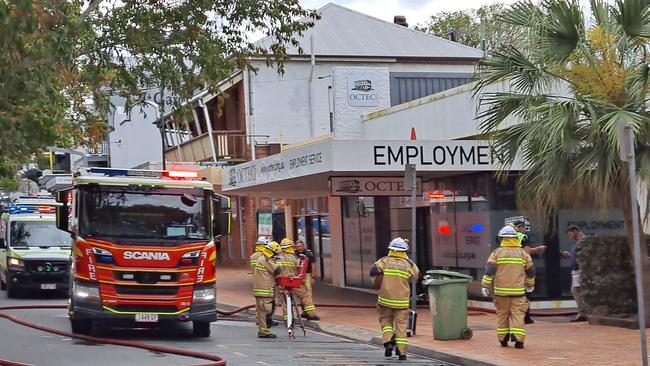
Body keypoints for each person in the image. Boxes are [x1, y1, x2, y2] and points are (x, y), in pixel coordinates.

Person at [482, 225, 535, 349]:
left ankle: (503, 339)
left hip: (501, 293)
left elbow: (489, 270)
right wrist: (530, 285)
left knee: (502, 315)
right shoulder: (523, 254)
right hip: (518, 293)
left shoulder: (497, 253)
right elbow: (531, 271)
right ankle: (519, 340)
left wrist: (485, 285)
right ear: (515, 238)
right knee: (518, 315)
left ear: (502, 238)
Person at [369, 237, 420, 361]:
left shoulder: (384, 261)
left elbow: (373, 270)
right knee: (401, 326)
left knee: (386, 321)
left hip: (385, 301)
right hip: (402, 302)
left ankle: (388, 342)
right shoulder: (409, 263)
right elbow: (417, 275)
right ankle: (402, 353)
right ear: (404, 251)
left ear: (391, 249)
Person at [510, 220, 547, 324]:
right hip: (521, 267)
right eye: (522, 227)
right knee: (525, 292)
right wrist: (538, 249)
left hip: (510, 268)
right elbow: (526, 252)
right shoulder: (522, 236)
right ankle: (525, 317)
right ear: (519, 227)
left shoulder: (505, 237)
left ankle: (515, 316)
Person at [252, 240, 282, 338]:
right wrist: (279, 261)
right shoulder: (266, 259)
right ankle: (263, 331)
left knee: (266, 309)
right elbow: (277, 270)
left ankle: (264, 329)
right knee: (264, 310)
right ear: (273, 252)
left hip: (264, 289)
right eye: (276, 253)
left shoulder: (264, 257)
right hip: (264, 289)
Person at [561, 224, 587, 322]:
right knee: (577, 290)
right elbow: (578, 255)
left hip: (580, 270)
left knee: (577, 290)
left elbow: (583, 255)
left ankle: (582, 313)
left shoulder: (583, 241)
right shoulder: (577, 243)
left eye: (570, 234)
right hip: (576, 270)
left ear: (575, 231)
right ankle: (582, 313)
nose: (570, 236)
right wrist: (570, 255)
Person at [276, 237, 300, 324]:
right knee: (291, 301)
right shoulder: (295, 258)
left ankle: (288, 320)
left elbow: (277, 270)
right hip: (291, 282)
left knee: (284, 303)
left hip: (282, 283)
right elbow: (297, 270)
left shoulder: (279, 258)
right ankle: (291, 317)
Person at [294, 239, 320, 320]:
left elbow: (313, 265)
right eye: (297, 246)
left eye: (300, 246)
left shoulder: (308, 254)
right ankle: (305, 312)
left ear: (303, 246)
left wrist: (313, 277)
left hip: (307, 276)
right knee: (302, 295)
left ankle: (310, 314)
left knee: (308, 294)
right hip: (298, 277)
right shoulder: (295, 255)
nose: (299, 248)